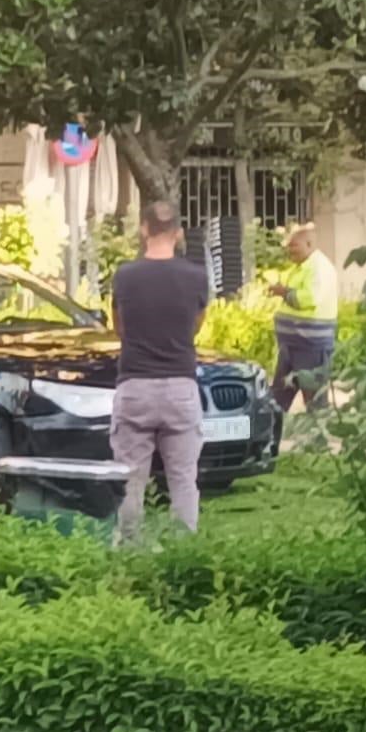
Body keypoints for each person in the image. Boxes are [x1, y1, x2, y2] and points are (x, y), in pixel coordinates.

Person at [110, 201, 210, 537]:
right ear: (179, 234)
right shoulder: (196, 277)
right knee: (183, 478)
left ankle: (129, 551)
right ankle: (183, 556)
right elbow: (196, 327)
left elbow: (118, 327)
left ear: (143, 229)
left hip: (135, 384)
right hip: (180, 386)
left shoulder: (124, 276)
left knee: (130, 478)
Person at [267, 225, 339, 414]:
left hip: (311, 346)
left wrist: (284, 292)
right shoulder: (300, 268)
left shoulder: (319, 268)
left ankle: (318, 440)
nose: (290, 250)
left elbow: (309, 298)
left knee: (314, 400)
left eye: (294, 246)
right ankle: (270, 437)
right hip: (292, 345)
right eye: (289, 246)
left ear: (309, 244)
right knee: (278, 396)